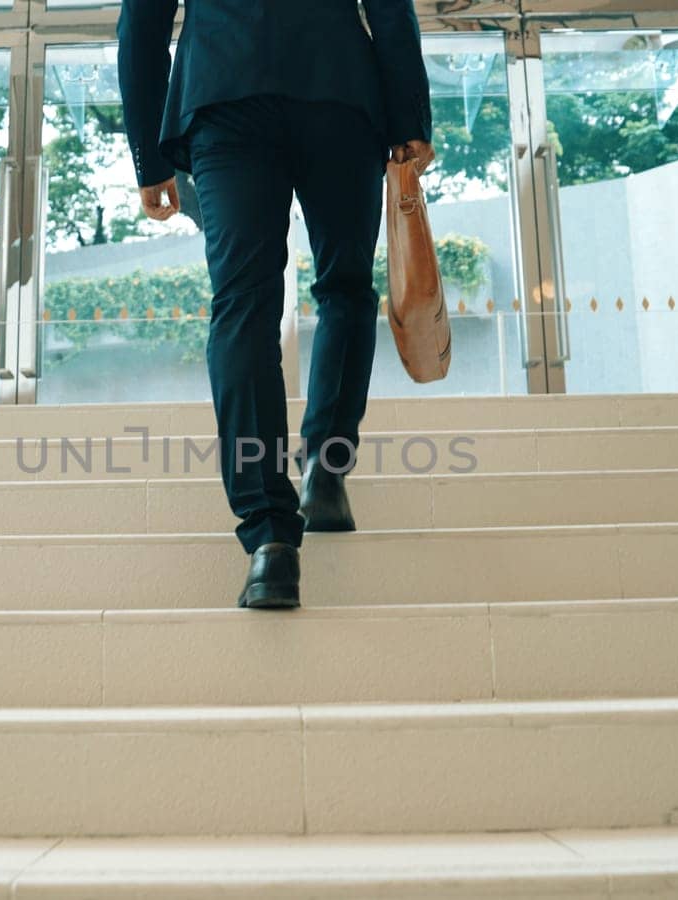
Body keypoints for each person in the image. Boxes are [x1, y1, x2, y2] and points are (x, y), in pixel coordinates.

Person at [118, 0, 435, 611]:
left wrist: (149, 157)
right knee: (345, 286)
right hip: (339, 91)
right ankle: (326, 469)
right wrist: (408, 116)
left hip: (223, 92)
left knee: (243, 303)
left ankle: (269, 540)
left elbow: (142, 22)